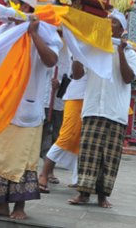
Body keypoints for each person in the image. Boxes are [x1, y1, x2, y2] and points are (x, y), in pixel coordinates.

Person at [0, 0, 59, 221]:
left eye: (13, 2)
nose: (8, 6)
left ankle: (19, 208)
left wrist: (34, 34)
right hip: (2, 105)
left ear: (26, 7)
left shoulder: (45, 31)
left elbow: (51, 60)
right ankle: (0, 205)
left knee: (23, 160)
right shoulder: (4, 29)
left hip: (27, 107)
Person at [69, 9, 136, 208]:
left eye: (113, 23)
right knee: (88, 154)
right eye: (106, 21)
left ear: (121, 30)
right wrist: (78, 52)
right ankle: (82, 194)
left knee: (109, 157)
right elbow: (76, 75)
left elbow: (128, 78)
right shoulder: (93, 49)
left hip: (115, 111)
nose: (108, 25)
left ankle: (102, 196)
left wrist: (120, 53)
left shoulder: (130, 53)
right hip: (92, 108)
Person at [39, 55, 87, 192]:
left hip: (90, 99)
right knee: (64, 137)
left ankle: (77, 178)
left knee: (81, 140)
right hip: (72, 97)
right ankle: (45, 174)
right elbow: (76, 73)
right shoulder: (77, 48)